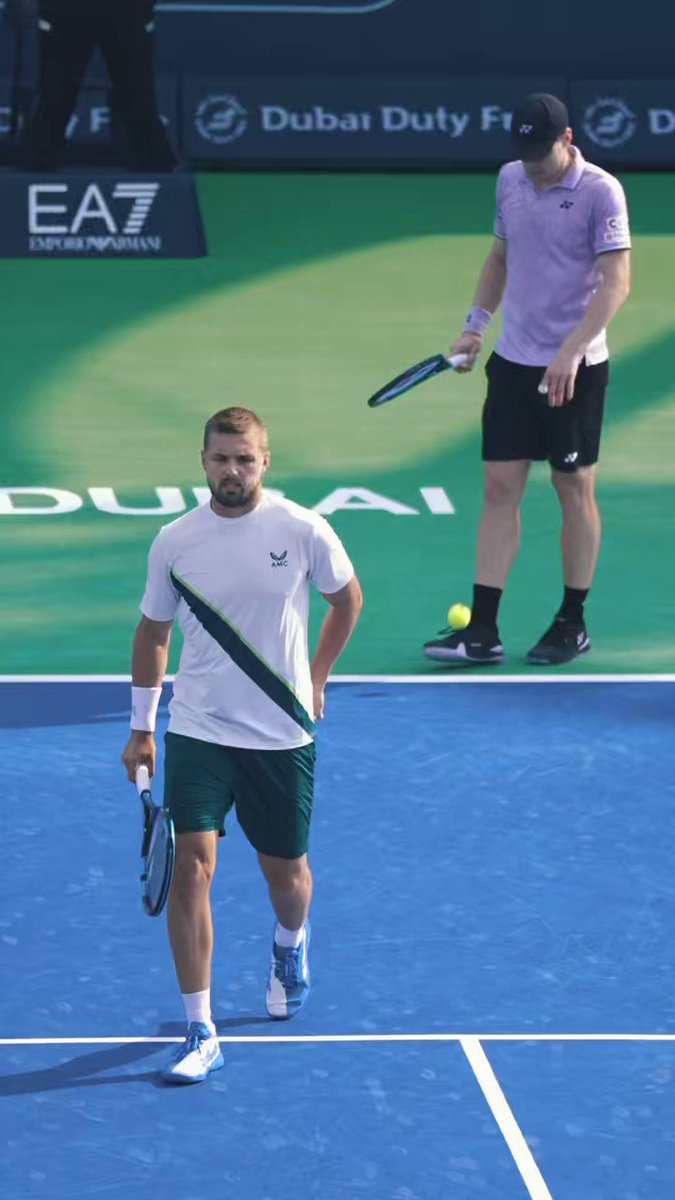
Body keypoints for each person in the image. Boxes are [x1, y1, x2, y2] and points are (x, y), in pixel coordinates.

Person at [122, 407, 363, 1085]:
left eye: (245, 459)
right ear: (203, 461)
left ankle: (290, 944)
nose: (233, 470)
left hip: (280, 734)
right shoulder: (175, 541)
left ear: (266, 462)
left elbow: (348, 601)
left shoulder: (302, 528)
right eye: (221, 458)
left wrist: (316, 679)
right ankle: (201, 1028)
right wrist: (142, 726)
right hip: (198, 728)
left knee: (286, 878)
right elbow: (152, 633)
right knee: (191, 869)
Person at [424, 93, 631, 667]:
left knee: (573, 489)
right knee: (498, 489)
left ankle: (572, 620)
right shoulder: (510, 178)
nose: (533, 163)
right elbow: (501, 258)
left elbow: (617, 283)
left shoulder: (600, 191)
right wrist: (474, 328)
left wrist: (571, 350)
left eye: (543, 151)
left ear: (568, 141)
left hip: (576, 368)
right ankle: (482, 630)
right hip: (514, 363)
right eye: (525, 151)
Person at [17, 0, 177, 170]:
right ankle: (37, 163)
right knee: (55, 92)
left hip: (126, 9)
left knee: (136, 92)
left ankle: (155, 164)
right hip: (66, 10)